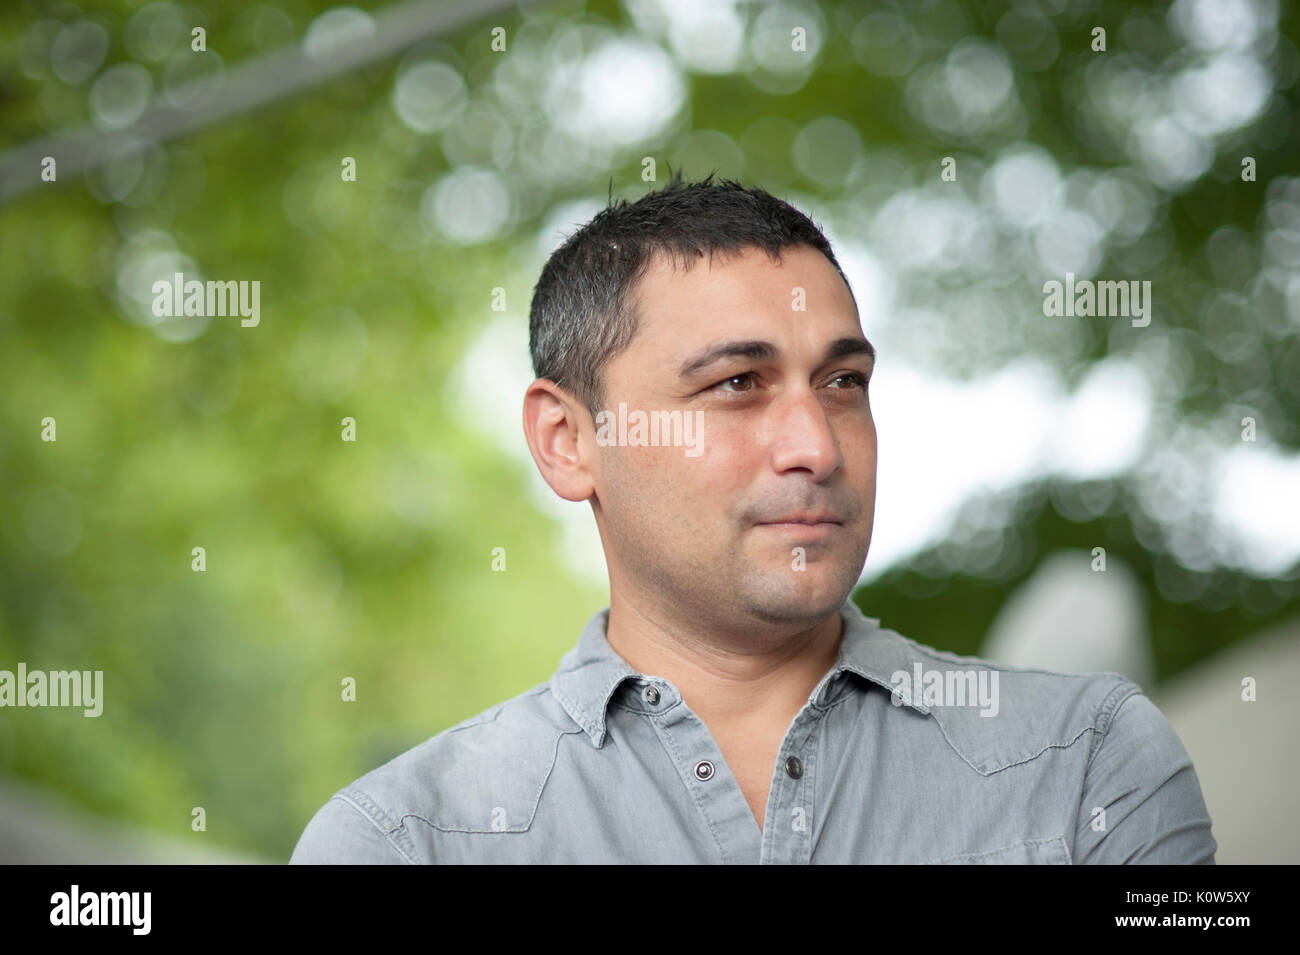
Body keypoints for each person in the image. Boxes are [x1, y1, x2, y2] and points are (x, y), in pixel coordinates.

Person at [290, 172, 1216, 864]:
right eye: (737, 384)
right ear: (568, 440)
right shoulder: (406, 842)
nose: (816, 443)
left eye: (842, 382)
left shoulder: (1088, 763)